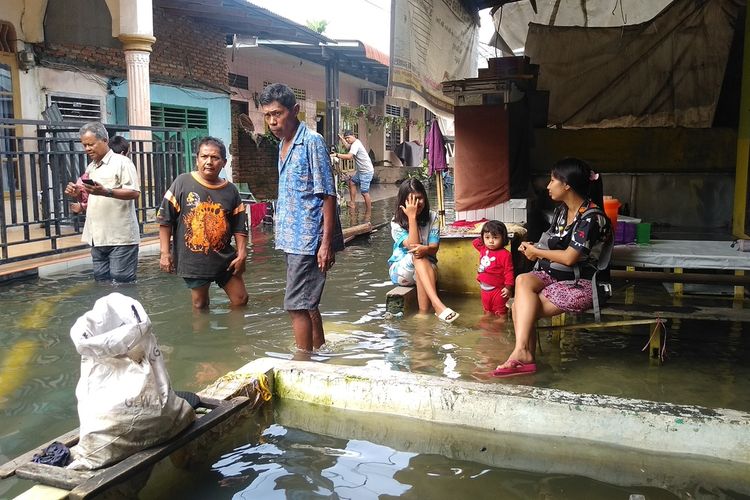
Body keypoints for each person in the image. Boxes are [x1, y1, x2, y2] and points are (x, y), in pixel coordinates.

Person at [493, 157, 610, 377]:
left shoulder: (592, 218)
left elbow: (569, 258)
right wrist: (533, 247)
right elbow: (549, 244)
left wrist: (536, 252)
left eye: (552, 180)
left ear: (567, 184)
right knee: (522, 280)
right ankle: (523, 354)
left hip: (581, 284)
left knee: (522, 306)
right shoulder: (561, 212)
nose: (548, 186)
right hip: (552, 275)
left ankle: (524, 356)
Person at [259, 83, 344, 353]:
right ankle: (319, 351)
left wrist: (325, 244)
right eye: (268, 115)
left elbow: (328, 195)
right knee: (307, 302)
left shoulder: (311, 142)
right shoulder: (282, 144)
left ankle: (302, 364)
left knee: (295, 306)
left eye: (278, 114)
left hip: (308, 240)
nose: (273, 121)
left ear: (294, 110)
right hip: (290, 238)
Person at [156, 136, 249, 309]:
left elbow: (239, 225)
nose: (209, 162)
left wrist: (242, 254)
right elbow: (165, 220)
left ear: (224, 162)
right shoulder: (182, 182)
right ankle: (202, 333)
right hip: (194, 260)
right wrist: (165, 253)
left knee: (241, 299)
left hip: (224, 258)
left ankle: (235, 334)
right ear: (197, 159)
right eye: (204, 157)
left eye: (215, 158)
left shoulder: (230, 190)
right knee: (200, 304)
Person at [64, 122, 140, 282]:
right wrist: (78, 194)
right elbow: (90, 198)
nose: (87, 149)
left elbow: (134, 192)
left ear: (105, 140)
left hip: (121, 237)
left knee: (122, 283)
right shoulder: (91, 167)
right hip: (97, 237)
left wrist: (107, 191)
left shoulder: (122, 162)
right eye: (84, 145)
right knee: (102, 282)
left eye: (91, 144)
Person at [388, 178, 459, 323]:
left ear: (425, 197)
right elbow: (413, 245)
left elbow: (434, 248)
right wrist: (412, 217)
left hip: (427, 268)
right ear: (403, 202)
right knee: (417, 256)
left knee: (421, 261)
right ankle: (437, 305)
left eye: (419, 198)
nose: (416, 203)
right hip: (401, 271)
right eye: (411, 200)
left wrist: (425, 249)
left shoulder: (433, 217)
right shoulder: (396, 222)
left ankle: (423, 315)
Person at [71, 136, 130, 215]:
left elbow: (85, 193)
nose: (88, 149)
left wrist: (82, 204)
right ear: (123, 153)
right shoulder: (124, 164)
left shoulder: (92, 167)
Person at [473, 220, 514, 316]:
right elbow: (475, 242)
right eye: (487, 237)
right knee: (487, 309)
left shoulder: (505, 254)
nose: (491, 241)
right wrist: (484, 233)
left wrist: (508, 287)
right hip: (484, 288)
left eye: (495, 237)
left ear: (503, 238)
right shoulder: (483, 248)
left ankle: (500, 324)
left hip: (498, 289)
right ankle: (488, 323)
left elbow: (509, 271)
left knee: (501, 311)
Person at [334, 130, 374, 221]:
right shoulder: (355, 143)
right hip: (361, 171)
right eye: (346, 138)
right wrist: (342, 139)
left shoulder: (356, 144)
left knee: (364, 192)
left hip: (366, 172)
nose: (347, 140)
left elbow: (349, 156)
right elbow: (348, 147)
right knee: (352, 182)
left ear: (353, 136)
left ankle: (369, 212)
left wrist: (336, 154)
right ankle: (352, 203)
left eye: (348, 138)